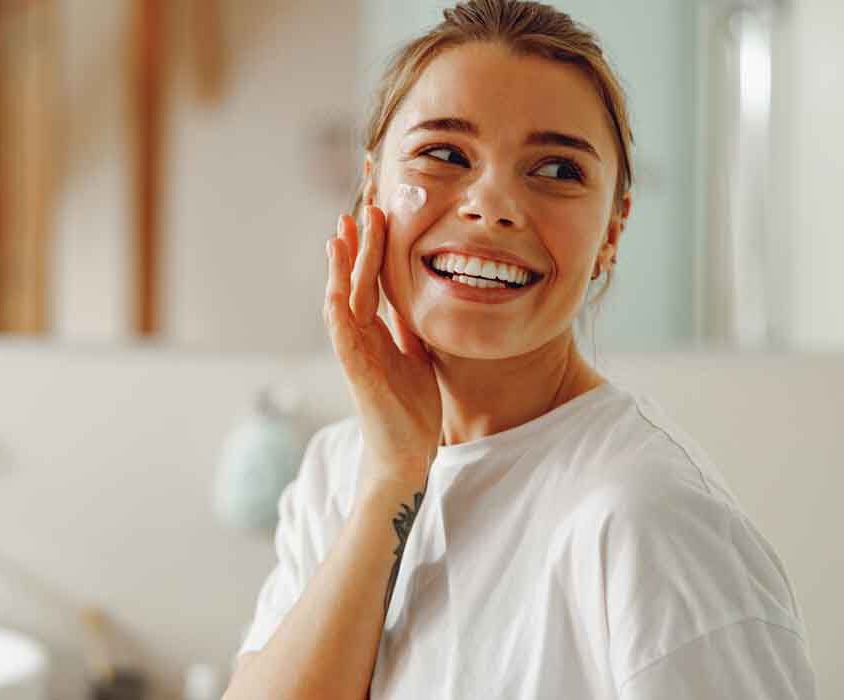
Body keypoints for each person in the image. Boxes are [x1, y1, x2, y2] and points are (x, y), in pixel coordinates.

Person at [223, 1, 818, 698]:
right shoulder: (338, 473)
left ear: (611, 234)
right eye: (445, 154)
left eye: (558, 170)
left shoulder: (646, 518)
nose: (493, 203)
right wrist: (393, 476)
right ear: (371, 189)